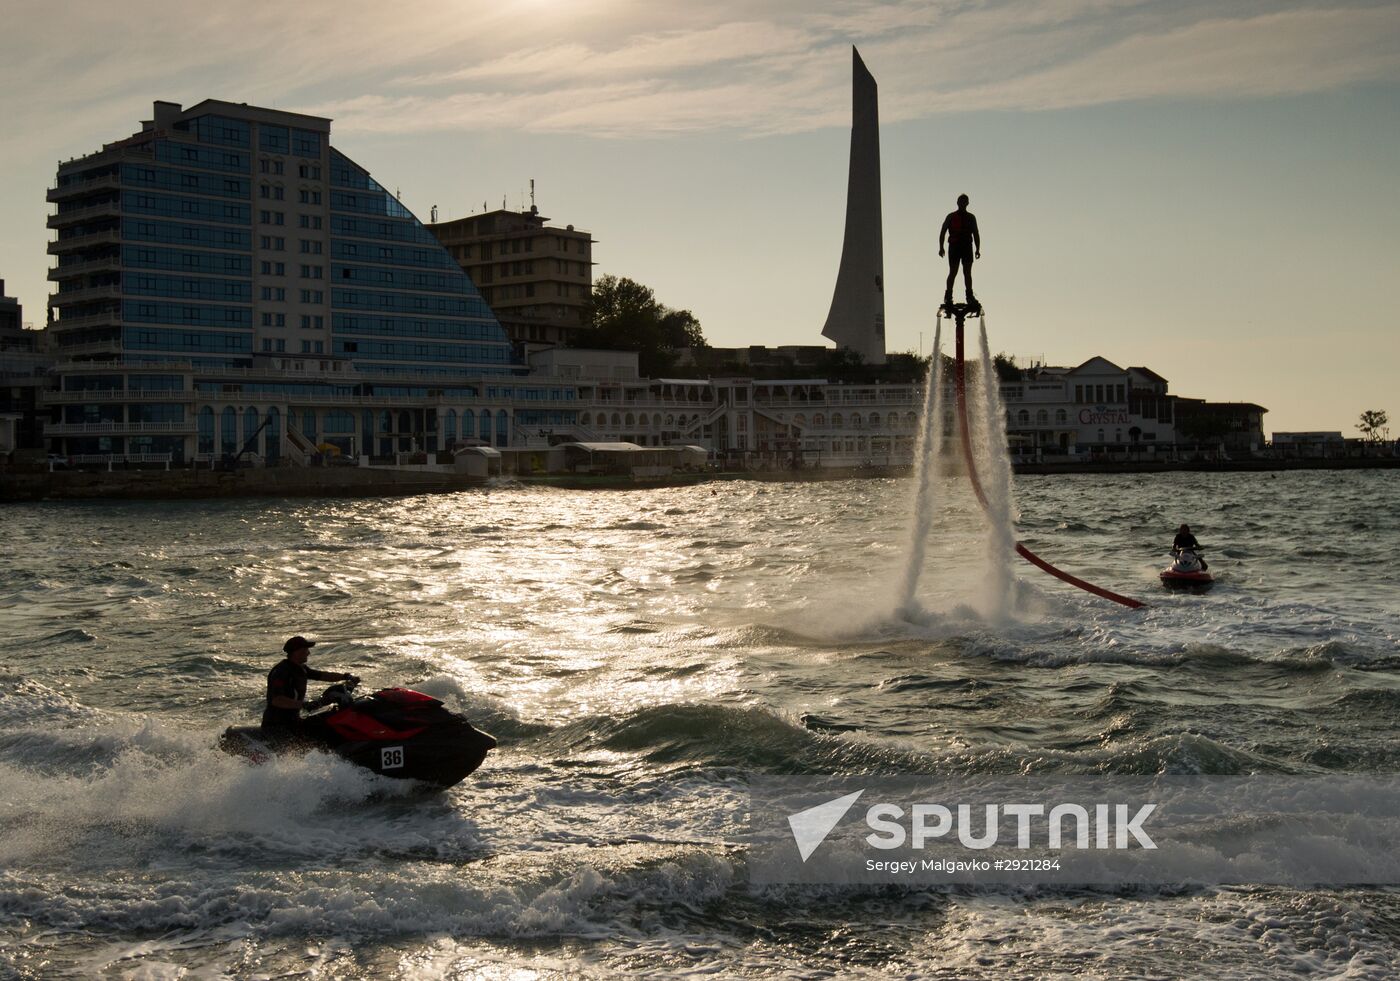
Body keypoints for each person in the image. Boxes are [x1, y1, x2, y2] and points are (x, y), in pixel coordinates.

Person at [261, 635, 358, 746]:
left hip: (294, 721)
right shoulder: (281, 671)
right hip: (277, 725)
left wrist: (345, 677)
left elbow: (323, 676)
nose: (308, 653)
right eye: (305, 650)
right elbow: (277, 700)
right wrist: (304, 704)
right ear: (296, 652)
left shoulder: (301, 669)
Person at [939, 194, 981, 307]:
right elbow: (943, 231)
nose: (962, 203)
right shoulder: (951, 216)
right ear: (957, 202)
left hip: (967, 246)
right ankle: (948, 296)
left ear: (967, 203)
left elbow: (976, 233)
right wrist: (941, 247)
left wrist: (977, 249)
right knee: (953, 271)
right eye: (961, 201)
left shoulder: (971, 217)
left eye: (964, 201)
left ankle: (969, 296)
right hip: (954, 247)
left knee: (967, 272)